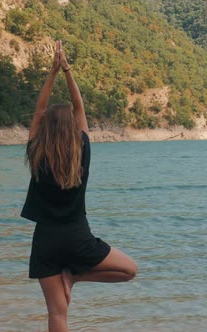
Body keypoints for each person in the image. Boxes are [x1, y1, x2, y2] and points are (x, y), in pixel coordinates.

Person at [21, 41, 137, 332]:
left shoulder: (36, 151)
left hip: (45, 240)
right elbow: (79, 106)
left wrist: (51, 73)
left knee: (57, 316)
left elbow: (39, 110)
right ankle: (75, 276)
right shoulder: (82, 150)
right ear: (72, 127)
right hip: (77, 238)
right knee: (129, 270)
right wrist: (66, 69)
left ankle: (71, 276)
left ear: (45, 128)